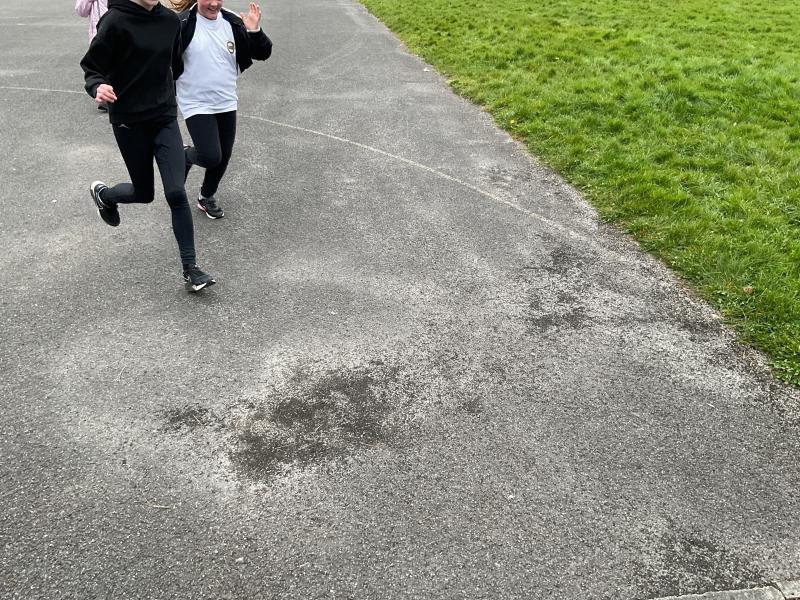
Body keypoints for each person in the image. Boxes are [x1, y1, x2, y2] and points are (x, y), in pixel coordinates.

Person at [80, 0, 216, 292]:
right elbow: (92, 66)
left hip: (164, 116)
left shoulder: (169, 21)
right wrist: (98, 86)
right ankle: (105, 195)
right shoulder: (114, 21)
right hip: (129, 121)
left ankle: (191, 269)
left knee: (176, 192)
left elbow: (176, 66)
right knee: (144, 193)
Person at [170, 0, 272, 219]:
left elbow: (263, 53)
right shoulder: (182, 24)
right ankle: (186, 156)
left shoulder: (232, 22)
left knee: (223, 156)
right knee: (210, 156)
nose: (214, 3)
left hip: (226, 100)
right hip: (195, 102)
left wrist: (254, 31)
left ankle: (206, 196)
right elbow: (160, 58)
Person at [75, 0, 109, 111]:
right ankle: (104, 96)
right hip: (98, 36)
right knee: (99, 68)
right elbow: (81, 11)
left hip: (120, 32)